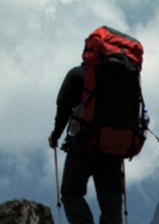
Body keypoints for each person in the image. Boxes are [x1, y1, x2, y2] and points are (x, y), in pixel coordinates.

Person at [49, 63, 125, 224]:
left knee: (71, 192)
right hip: (113, 147)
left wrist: (55, 137)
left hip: (83, 144)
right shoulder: (124, 77)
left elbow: (63, 108)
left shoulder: (77, 75)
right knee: (111, 203)